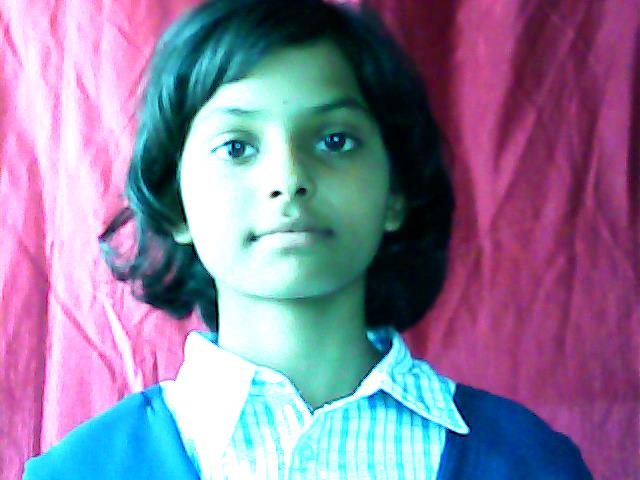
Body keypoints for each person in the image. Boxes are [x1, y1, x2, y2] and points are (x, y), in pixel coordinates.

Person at [23, 0, 593, 478]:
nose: (289, 178)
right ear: (176, 204)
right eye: (236, 147)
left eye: (335, 140)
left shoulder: (534, 464)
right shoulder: (78, 472)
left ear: (396, 191)